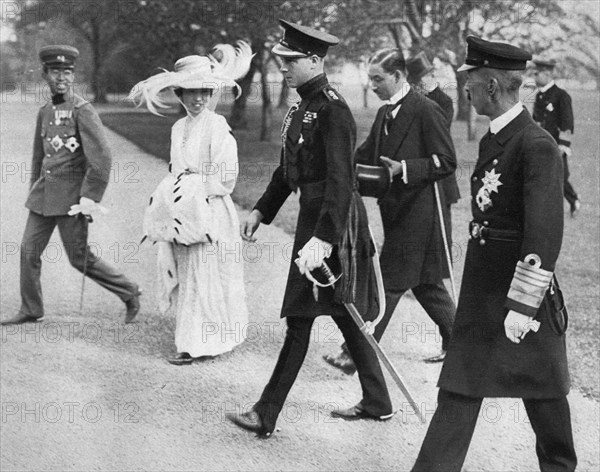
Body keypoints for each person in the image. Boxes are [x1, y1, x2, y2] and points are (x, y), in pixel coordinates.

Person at [412, 36, 577, 472]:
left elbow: (544, 233)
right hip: (483, 288)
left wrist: (522, 306)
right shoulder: (497, 138)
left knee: (543, 393)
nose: (464, 89)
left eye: (470, 81)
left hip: (519, 294)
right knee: (460, 387)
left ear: (491, 85)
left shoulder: (536, 144)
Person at [226, 19, 394, 438]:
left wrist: (323, 239)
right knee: (341, 311)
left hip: (334, 225)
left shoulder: (334, 109)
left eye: (291, 61)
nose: (282, 67)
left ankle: (267, 412)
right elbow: (288, 171)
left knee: (301, 317)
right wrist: (262, 211)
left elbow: (342, 180)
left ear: (315, 60)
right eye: (282, 60)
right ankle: (378, 401)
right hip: (313, 221)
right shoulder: (301, 106)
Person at [323, 48, 457, 375]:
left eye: (378, 79)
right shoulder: (385, 114)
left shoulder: (426, 110)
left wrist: (405, 169)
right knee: (428, 287)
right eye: (369, 79)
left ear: (398, 76)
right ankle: (465, 346)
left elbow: (446, 161)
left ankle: (354, 353)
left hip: (422, 215)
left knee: (389, 283)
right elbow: (368, 153)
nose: (372, 85)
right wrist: (339, 168)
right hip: (397, 211)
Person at [128, 43, 252, 364]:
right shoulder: (178, 127)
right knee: (188, 271)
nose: (197, 99)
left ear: (211, 94)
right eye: (189, 92)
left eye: (203, 92)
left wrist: (193, 188)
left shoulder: (217, 126)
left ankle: (198, 343)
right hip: (185, 209)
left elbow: (226, 176)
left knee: (206, 272)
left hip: (210, 209)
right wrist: (172, 196)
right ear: (179, 94)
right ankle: (195, 338)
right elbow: (175, 169)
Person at [1, 45, 141, 326]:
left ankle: (129, 291)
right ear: (45, 74)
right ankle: (31, 308)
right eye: (55, 72)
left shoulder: (82, 110)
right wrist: (33, 189)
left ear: (73, 76)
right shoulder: (44, 111)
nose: (61, 78)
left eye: (66, 72)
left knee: (79, 259)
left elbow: (101, 157)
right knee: (29, 251)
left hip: (72, 200)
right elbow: (38, 157)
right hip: (43, 198)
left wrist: (90, 198)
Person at [406, 51, 460, 277]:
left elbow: (436, 135)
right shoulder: (409, 99)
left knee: (440, 231)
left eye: (430, 75)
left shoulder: (442, 101)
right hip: (416, 173)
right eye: (424, 77)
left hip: (438, 172)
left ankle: (438, 271)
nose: (429, 80)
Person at [533, 59, 581, 216]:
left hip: (556, 144)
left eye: (537, 73)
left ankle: (573, 200)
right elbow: (536, 121)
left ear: (547, 74)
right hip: (541, 143)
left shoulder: (561, 95)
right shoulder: (540, 96)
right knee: (541, 175)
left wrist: (563, 145)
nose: (534, 76)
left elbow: (567, 122)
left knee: (560, 176)